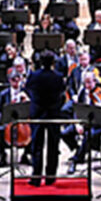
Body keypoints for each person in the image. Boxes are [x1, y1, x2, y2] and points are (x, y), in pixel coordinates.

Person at [26, 47, 66, 185]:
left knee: (37, 146)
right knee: (53, 146)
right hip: (54, 114)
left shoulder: (34, 75)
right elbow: (62, 93)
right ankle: (51, 177)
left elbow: (27, 89)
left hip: (38, 114)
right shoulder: (58, 77)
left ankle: (36, 177)